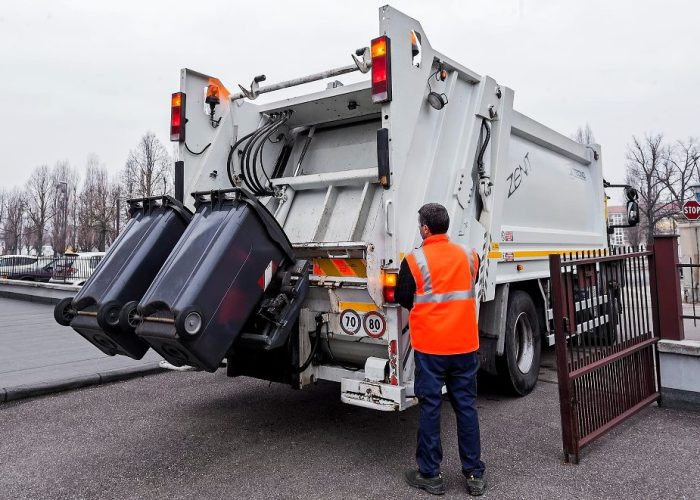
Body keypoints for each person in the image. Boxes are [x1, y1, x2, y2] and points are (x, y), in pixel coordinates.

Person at [397, 203, 486, 496]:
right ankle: (474, 475)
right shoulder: (468, 255)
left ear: (425, 228)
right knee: (466, 408)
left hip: (431, 348)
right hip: (464, 346)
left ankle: (430, 475)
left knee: (431, 409)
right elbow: (470, 283)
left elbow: (403, 297)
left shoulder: (414, 260)